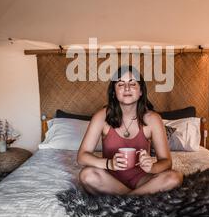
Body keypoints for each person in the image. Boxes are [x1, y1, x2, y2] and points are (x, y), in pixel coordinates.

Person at [77, 65, 183, 195]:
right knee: (86, 175)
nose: (127, 88)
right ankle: (138, 197)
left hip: (142, 179)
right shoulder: (101, 116)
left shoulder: (153, 119)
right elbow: (82, 157)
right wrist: (109, 164)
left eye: (132, 84)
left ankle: (126, 199)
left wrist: (152, 167)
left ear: (141, 91)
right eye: (121, 84)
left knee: (175, 177)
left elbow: (167, 162)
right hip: (110, 180)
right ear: (114, 93)